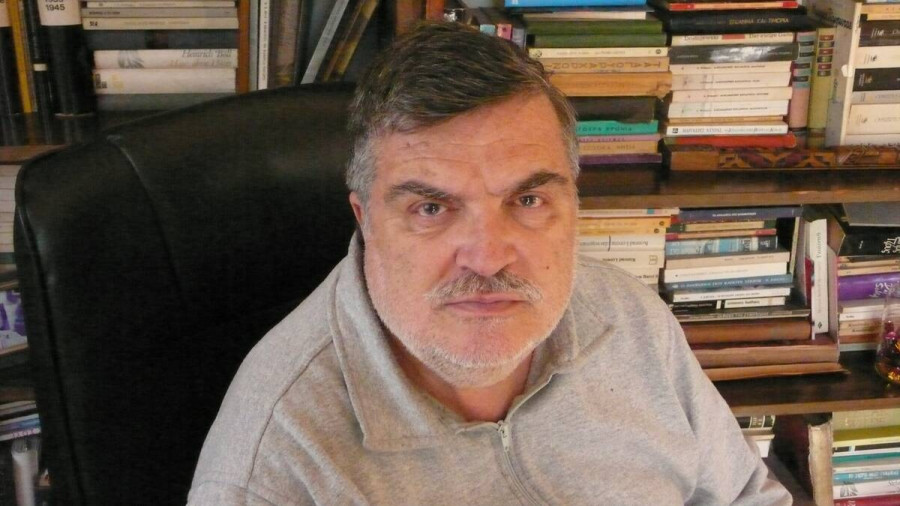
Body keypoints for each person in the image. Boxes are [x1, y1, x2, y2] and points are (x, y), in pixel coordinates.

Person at [188, 22, 791, 505]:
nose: (488, 256)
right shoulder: (272, 465)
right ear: (365, 219)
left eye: (527, 201)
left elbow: (745, 494)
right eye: (431, 208)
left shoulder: (629, 316)